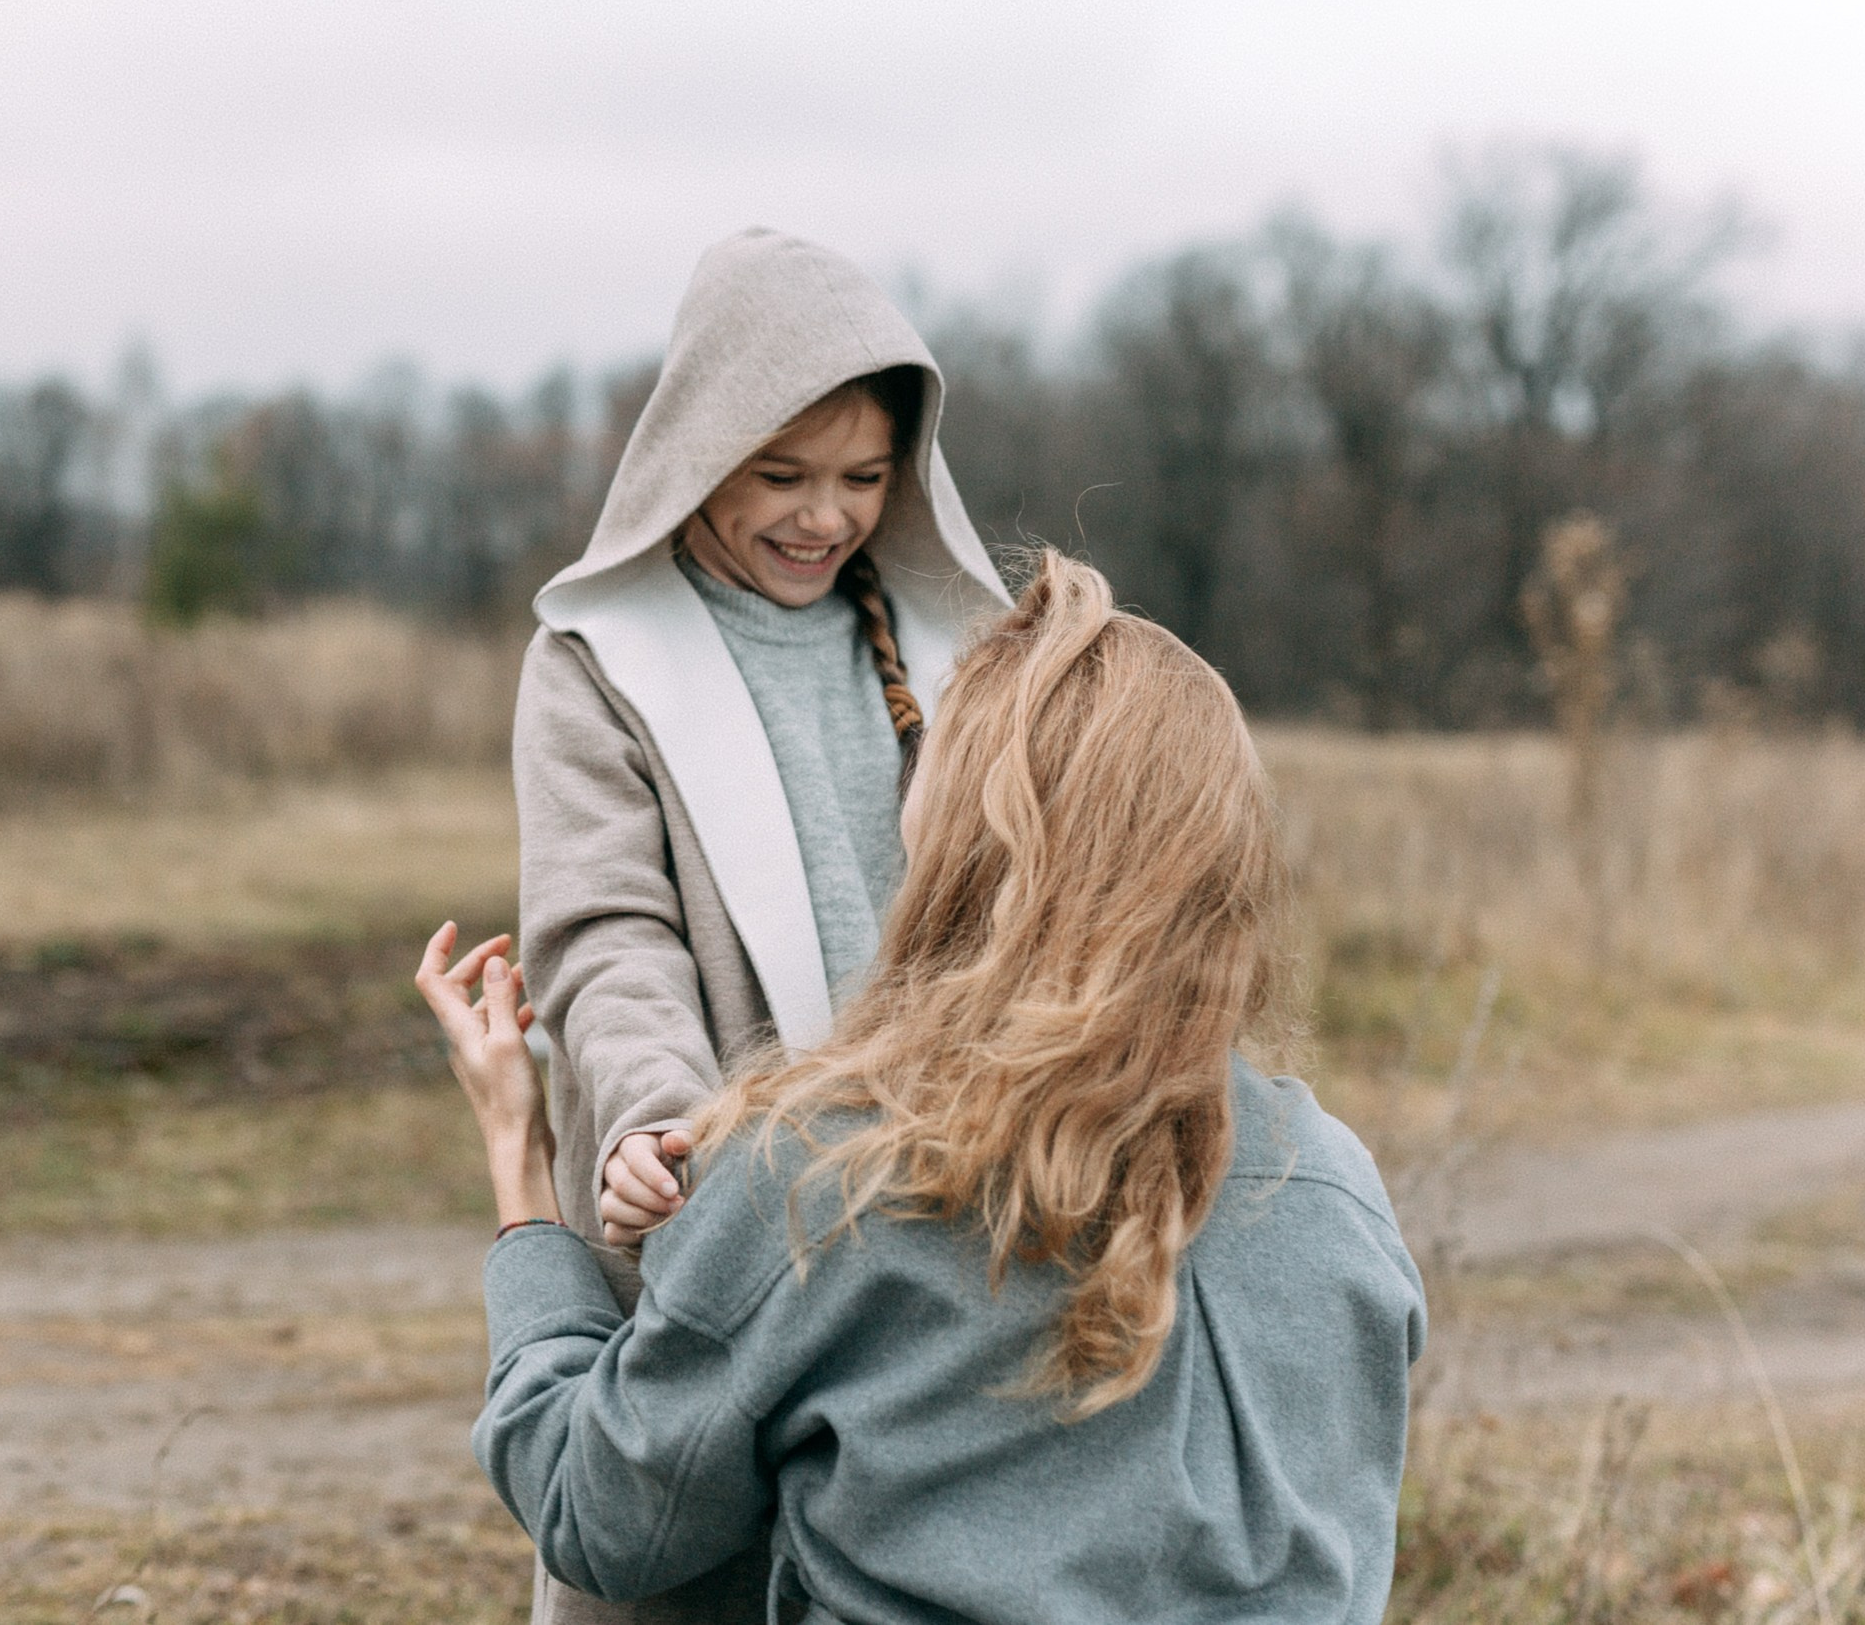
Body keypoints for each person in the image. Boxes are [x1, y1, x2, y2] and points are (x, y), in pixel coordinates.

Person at [419, 552, 1427, 1625]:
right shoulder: (1335, 1190)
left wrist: (521, 1177)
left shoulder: (822, 1184)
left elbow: (600, 1516)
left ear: (960, 847)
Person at [508, 228, 1007, 1621]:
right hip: (713, 1207)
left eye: (862, 478)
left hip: (939, 1224)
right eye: (780, 475)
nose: (824, 516)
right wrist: (660, 1124)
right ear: (695, 450)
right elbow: (604, 938)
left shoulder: (962, 654)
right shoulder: (596, 665)